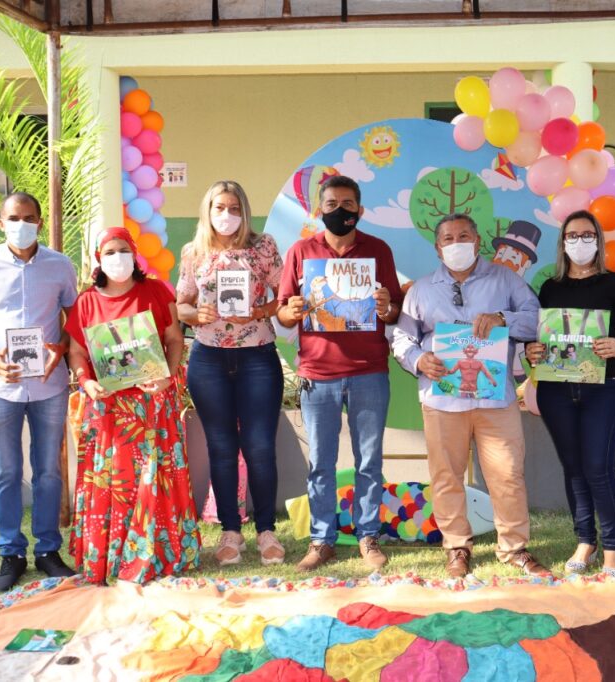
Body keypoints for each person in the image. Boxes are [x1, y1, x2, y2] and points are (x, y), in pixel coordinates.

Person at [393, 213, 549, 578]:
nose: (456, 243)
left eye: (464, 236)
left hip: (496, 399)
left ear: (478, 242)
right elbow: (402, 338)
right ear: (438, 248)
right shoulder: (421, 290)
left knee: (508, 474)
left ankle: (514, 548)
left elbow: (537, 318)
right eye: (448, 238)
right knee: (446, 476)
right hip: (442, 399)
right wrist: (419, 360)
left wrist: (503, 318)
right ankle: (457, 547)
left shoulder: (506, 280)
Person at [0, 191, 77, 592]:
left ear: (39, 222)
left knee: (48, 471)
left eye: (28, 218)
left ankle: (48, 551)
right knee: (5, 471)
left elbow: (75, 319)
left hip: (49, 385)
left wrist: (61, 347)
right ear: (0, 223)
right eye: (13, 218)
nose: (21, 225)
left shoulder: (61, 266)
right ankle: (11, 553)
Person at [277, 175, 402, 572]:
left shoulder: (378, 250)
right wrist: (291, 311)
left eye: (348, 204)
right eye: (331, 204)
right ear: (319, 209)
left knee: (369, 461)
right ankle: (321, 540)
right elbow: (282, 312)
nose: (339, 211)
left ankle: (368, 536)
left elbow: (394, 311)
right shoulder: (300, 251)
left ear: (359, 210)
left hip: (369, 371)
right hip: (317, 374)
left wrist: (385, 307)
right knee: (320, 462)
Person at [66, 227, 200, 584]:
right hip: (109, 409)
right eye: (109, 252)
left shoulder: (156, 291)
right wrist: (86, 381)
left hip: (153, 402)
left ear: (135, 253)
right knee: (115, 480)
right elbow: (76, 352)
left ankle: (159, 552)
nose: (117, 258)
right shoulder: (86, 302)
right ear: (99, 258)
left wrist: (167, 376)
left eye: (123, 250)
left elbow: (174, 339)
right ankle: (111, 556)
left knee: (155, 476)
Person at [524, 210, 615, 578]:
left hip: (605, 389)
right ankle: (585, 541)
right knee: (574, 467)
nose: (580, 241)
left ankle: (612, 548)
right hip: (556, 391)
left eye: (587, 235)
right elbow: (542, 338)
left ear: (599, 240)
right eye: (572, 236)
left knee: (598, 467)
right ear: (563, 243)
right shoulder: (551, 288)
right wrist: (533, 351)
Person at [177, 180, 286, 567]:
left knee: (260, 447)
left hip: (258, 357)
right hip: (209, 360)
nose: (227, 215)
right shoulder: (194, 252)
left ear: (244, 211)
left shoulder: (263, 246)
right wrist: (196, 314)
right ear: (207, 211)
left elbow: (284, 296)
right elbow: (181, 305)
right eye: (219, 208)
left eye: (234, 208)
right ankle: (230, 532)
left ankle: (267, 531)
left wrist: (258, 311)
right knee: (221, 448)